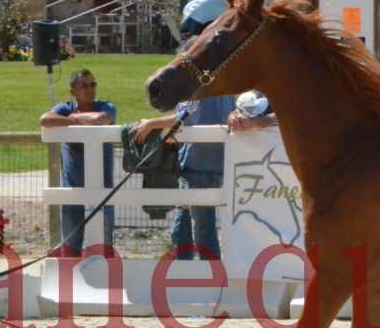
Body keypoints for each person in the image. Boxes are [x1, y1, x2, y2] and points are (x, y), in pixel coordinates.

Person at [132, 90, 271, 260]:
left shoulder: (198, 87)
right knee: (184, 227)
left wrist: (151, 124)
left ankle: (208, 274)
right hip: (207, 162)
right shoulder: (221, 87)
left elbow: (183, 118)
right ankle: (186, 272)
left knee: (201, 230)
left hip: (197, 165)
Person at [40, 69, 116, 256]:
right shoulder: (65, 107)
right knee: (71, 245)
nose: (90, 89)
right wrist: (76, 119)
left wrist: (71, 120)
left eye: (93, 84)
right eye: (84, 86)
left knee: (103, 245)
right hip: (72, 187)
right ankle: (71, 279)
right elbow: (45, 119)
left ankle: (105, 279)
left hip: (102, 186)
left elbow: (102, 119)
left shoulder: (106, 106)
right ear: (73, 91)